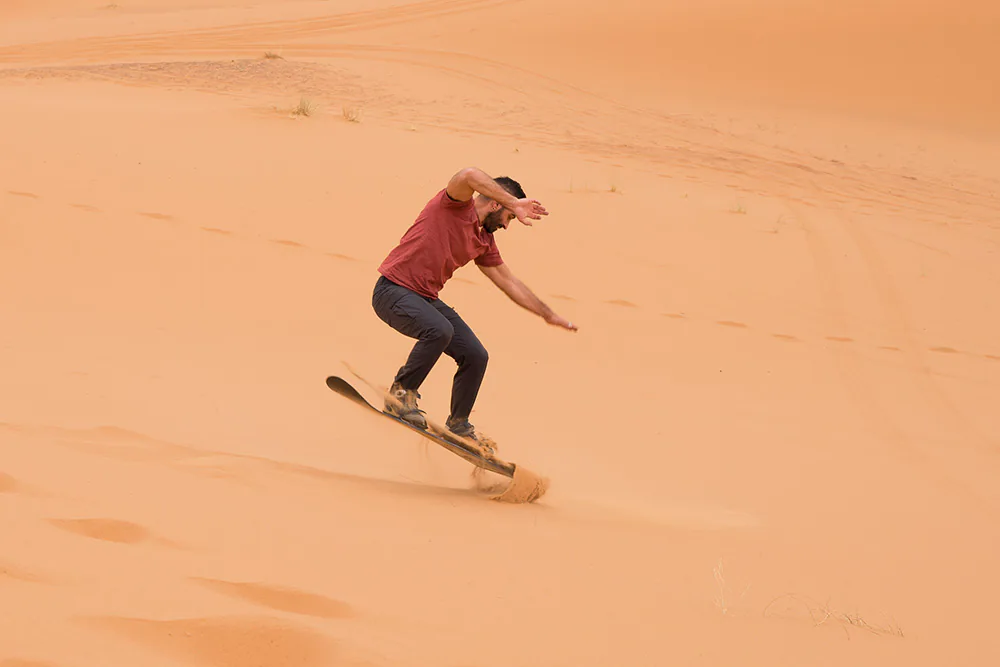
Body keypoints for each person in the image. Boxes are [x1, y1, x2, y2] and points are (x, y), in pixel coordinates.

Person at [371, 166, 577, 442]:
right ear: (495, 203)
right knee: (440, 330)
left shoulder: (483, 240)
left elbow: (509, 282)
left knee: (475, 355)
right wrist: (514, 203)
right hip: (392, 291)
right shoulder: (454, 205)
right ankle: (400, 394)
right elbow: (468, 174)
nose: (506, 225)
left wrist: (547, 314)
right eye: (507, 217)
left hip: (425, 299)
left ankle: (458, 425)